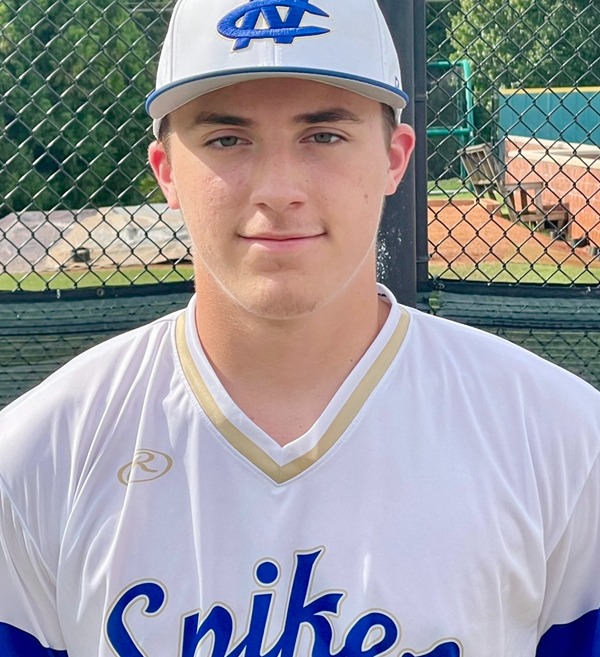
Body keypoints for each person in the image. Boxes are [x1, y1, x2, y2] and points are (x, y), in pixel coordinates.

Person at [1, 0, 600, 655]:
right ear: (166, 170)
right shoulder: (39, 455)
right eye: (227, 139)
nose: (278, 188)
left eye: (325, 135)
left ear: (395, 158)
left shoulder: (562, 441)